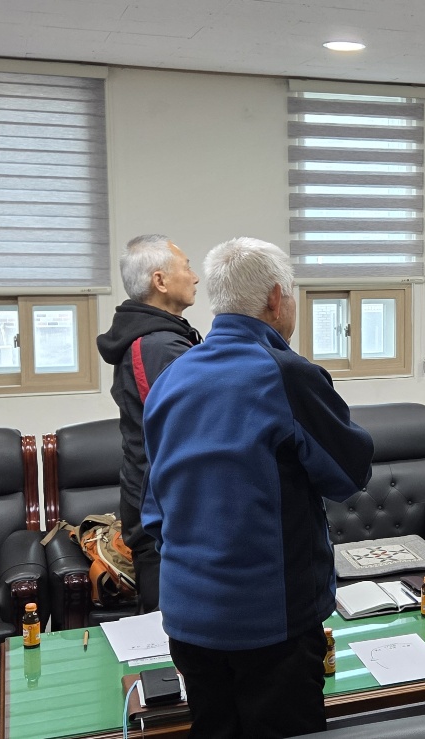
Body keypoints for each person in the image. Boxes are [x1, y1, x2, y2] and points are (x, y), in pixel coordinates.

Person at [142, 237, 374, 738]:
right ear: (275, 298)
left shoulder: (171, 379)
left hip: (187, 618)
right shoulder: (287, 374)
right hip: (269, 624)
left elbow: (154, 508)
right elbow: (350, 472)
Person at [96, 233, 202, 613]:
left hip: (168, 515)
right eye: (186, 267)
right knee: (168, 633)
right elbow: (187, 433)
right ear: (160, 281)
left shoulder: (165, 337)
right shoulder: (156, 347)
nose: (195, 277)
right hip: (165, 521)